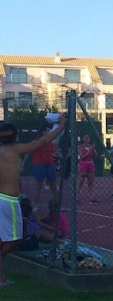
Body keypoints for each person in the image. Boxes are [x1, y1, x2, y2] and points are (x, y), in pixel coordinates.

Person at [0, 114, 65, 285]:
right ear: (15, 137)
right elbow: (42, 142)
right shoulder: (15, 150)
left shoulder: (3, 151)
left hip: (1, 198)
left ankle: (1, 278)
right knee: (16, 238)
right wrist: (60, 126)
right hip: (9, 201)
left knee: (3, 238)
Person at [29, 124, 59, 203]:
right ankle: (35, 205)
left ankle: (58, 204)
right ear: (43, 132)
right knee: (38, 186)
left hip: (50, 165)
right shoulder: (36, 142)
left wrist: (56, 154)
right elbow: (28, 153)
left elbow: (53, 152)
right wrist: (22, 164)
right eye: (48, 131)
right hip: (39, 165)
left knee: (53, 186)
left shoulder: (51, 143)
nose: (50, 133)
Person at [77, 133, 98, 203]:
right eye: (85, 137)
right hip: (83, 164)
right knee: (81, 181)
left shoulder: (91, 146)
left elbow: (96, 155)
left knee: (90, 182)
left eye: (88, 137)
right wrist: (89, 150)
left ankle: (91, 198)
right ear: (83, 139)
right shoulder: (80, 147)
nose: (87, 139)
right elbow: (82, 156)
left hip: (90, 164)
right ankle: (77, 197)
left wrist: (93, 149)